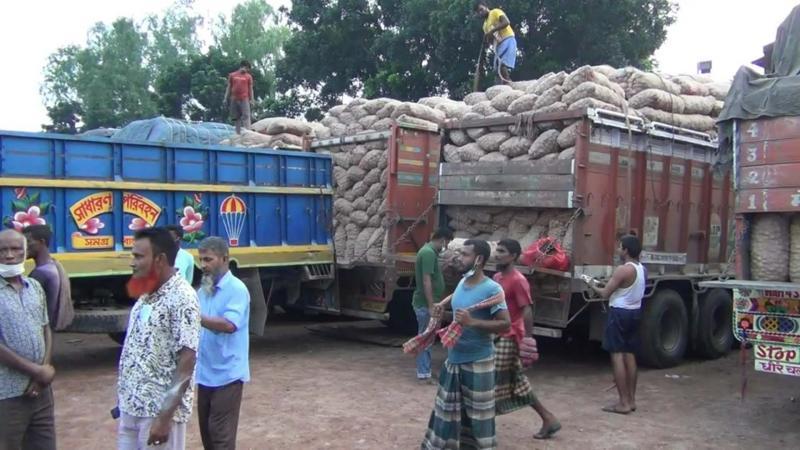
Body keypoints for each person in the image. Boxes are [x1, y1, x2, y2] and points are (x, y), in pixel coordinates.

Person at [422, 239, 511, 450]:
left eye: (464, 255)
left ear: (479, 259)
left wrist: (473, 322)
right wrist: (443, 314)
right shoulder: (462, 283)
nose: (459, 258)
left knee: (480, 421)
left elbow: (505, 324)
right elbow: (459, 319)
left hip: (478, 362)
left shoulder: (492, 289)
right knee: (447, 416)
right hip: (453, 361)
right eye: (460, 253)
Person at [117, 227, 201, 450]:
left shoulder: (182, 297)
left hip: (156, 415)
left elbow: (187, 360)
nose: (132, 263)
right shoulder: (146, 295)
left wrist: (164, 418)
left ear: (160, 259)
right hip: (131, 409)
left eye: (138, 256)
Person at [492, 239, 561, 440]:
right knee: (518, 381)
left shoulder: (517, 280)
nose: (497, 255)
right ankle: (548, 419)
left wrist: (527, 342)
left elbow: (527, 310)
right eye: (497, 250)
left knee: (491, 380)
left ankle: (483, 429)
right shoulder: (497, 277)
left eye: (502, 251)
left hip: (510, 335)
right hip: (498, 334)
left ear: (513, 256)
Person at [0, 229, 57, 450]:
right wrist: (36, 371)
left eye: (15, 249)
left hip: (41, 391)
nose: (9, 255)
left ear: (26, 252)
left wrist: (44, 370)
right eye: (2, 250)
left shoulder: (34, 287)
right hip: (7, 393)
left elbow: (45, 329)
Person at [196, 237, 250, 450]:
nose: (203, 265)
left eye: (208, 259)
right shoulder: (204, 290)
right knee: (208, 436)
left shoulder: (236, 289)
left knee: (220, 436)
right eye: (201, 260)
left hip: (228, 374)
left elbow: (229, 325)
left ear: (225, 258)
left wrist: (193, 316)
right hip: (205, 374)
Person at [588, 235, 645, 415]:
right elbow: (623, 287)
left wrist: (590, 283)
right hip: (635, 312)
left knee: (617, 355)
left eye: (620, 247)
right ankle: (631, 400)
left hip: (619, 313)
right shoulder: (641, 269)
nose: (619, 250)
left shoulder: (623, 269)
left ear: (626, 250)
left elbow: (605, 293)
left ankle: (623, 403)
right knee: (629, 355)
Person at [411, 228, 453, 382]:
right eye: (447, 242)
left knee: (427, 337)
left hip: (428, 302)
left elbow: (433, 273)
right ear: (442, 239)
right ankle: (423, 374)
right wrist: (431, 305)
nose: (446, 246)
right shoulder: (428, 253)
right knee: (426, 338)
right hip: (426, 304)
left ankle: (425, 371)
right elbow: (426, 280)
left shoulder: (429, 252)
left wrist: (446, 264)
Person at [23, 224, 75, 331]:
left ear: (42, 242)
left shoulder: (40, 273)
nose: (24, 247)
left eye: (28, 242)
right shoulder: (53, 266)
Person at [475, 2, 518, 84]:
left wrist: (492, 31)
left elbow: (506, 22)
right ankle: (504, 83)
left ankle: (508, 81)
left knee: (501, 63)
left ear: (486, 7)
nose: (481, 13)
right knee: (496, 69)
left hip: (508, 38)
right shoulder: (484, 25)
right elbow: (491, 41)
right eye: (478, 12)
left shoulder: (495, 12)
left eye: (481, 9)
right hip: (498, 45)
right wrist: (488, 39)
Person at [224, 60, 255, 134]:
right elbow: (229, 87)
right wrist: (225, 98)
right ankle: (238, 133)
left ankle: (248, 133)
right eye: (247, 68)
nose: (247, 70)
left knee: (246, 116)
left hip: (244, 98)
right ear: (243, 67)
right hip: (234, 98)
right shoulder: (232, 75)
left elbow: (250, 89)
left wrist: (252, 100)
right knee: (236, 117)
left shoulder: (248, 77)